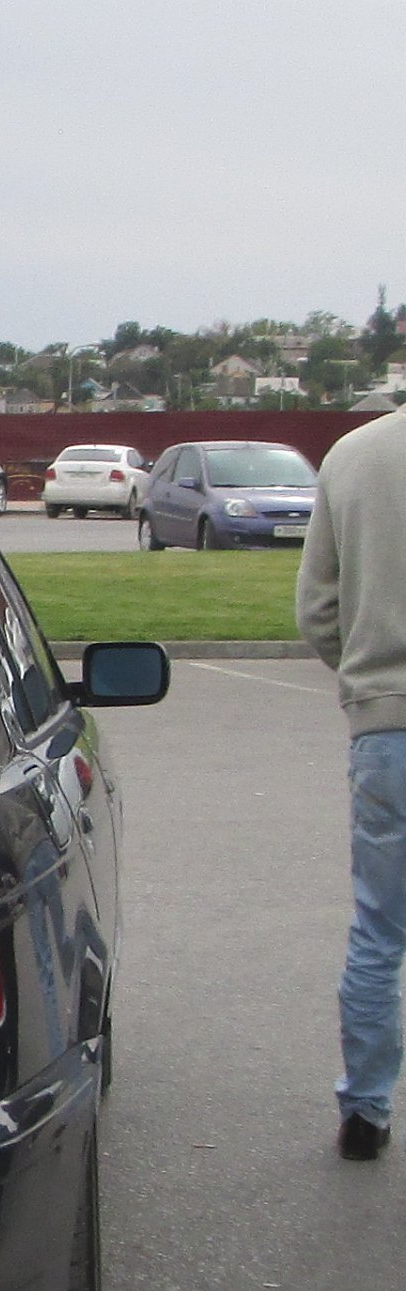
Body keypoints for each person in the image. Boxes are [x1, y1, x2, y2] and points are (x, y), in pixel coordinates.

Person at [297, 408, 406, 1160]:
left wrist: (367, 684)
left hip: (387, 727)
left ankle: (365, 1110)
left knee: (379, 928)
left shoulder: (355, 453)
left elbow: (319, 609)